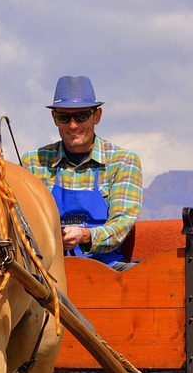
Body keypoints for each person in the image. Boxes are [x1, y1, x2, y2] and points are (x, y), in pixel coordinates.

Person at [21, 75, 142, 268]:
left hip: (107, 268)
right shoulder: (33, 162)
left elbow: (121, 226)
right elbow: (22, 221)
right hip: (48, 270)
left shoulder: (123, 161)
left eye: (81, 116)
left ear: (97, 116)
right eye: (64, 117)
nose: (73, 125)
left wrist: (83, 236)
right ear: (55, 119)